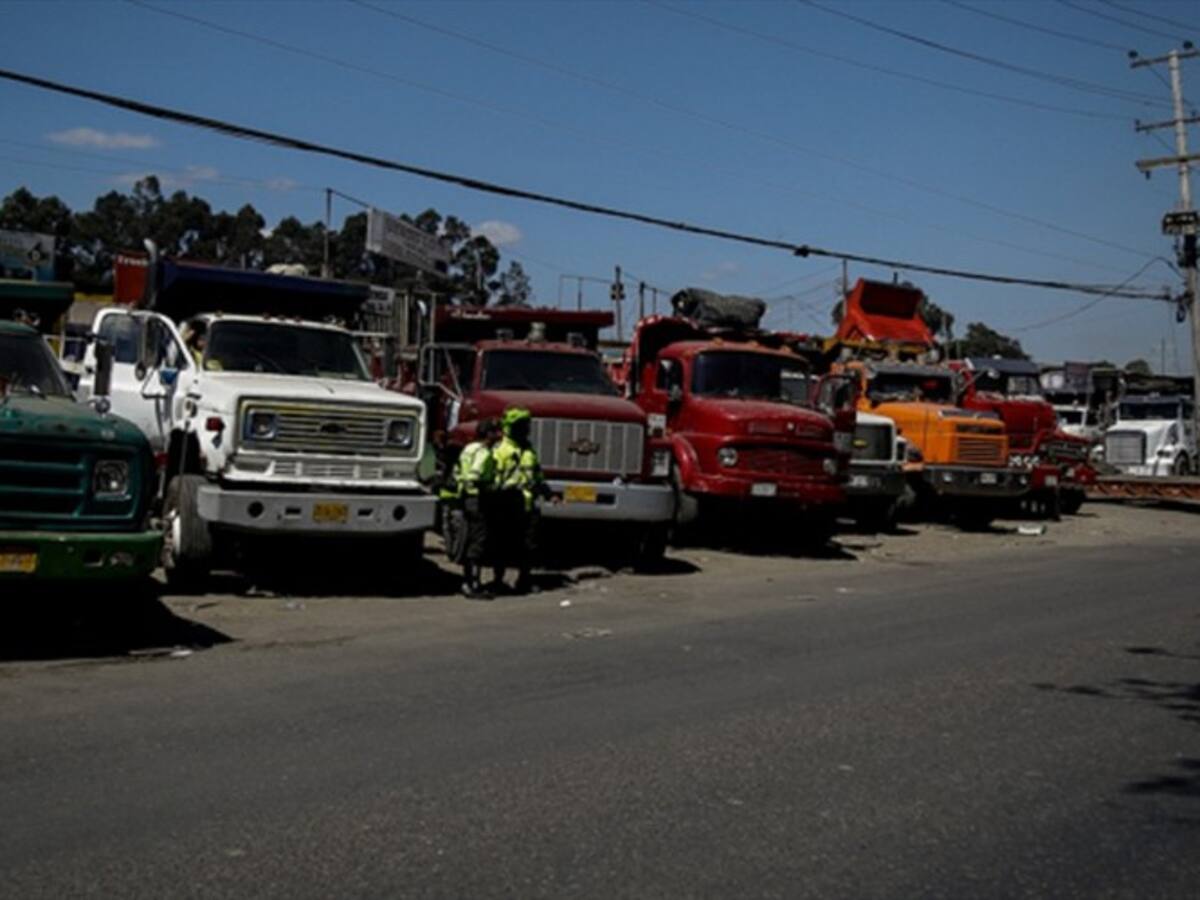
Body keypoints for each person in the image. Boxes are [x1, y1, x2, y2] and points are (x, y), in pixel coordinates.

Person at [490, 407, 550, 594]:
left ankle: (524, 580)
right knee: (501, 544)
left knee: (529, 545)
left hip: (528, 505)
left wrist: (547, 492)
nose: (526, 430)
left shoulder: (529, 450)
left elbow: (536, 475)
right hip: (506, 504)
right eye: (521, 426)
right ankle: (498, 580)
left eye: (526, 426)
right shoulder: (501, 450)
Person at [442, 418, 502, 599]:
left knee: (468, 538)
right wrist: (488, 486)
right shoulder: (483, 452)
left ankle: (469, 580)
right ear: (488, 434)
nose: (499, 435)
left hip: (464, 498)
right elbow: (474, 475)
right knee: (478, 540)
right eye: (496, 432)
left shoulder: (469, 448)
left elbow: (459, 472)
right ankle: (473, 584)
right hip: (478, 499)